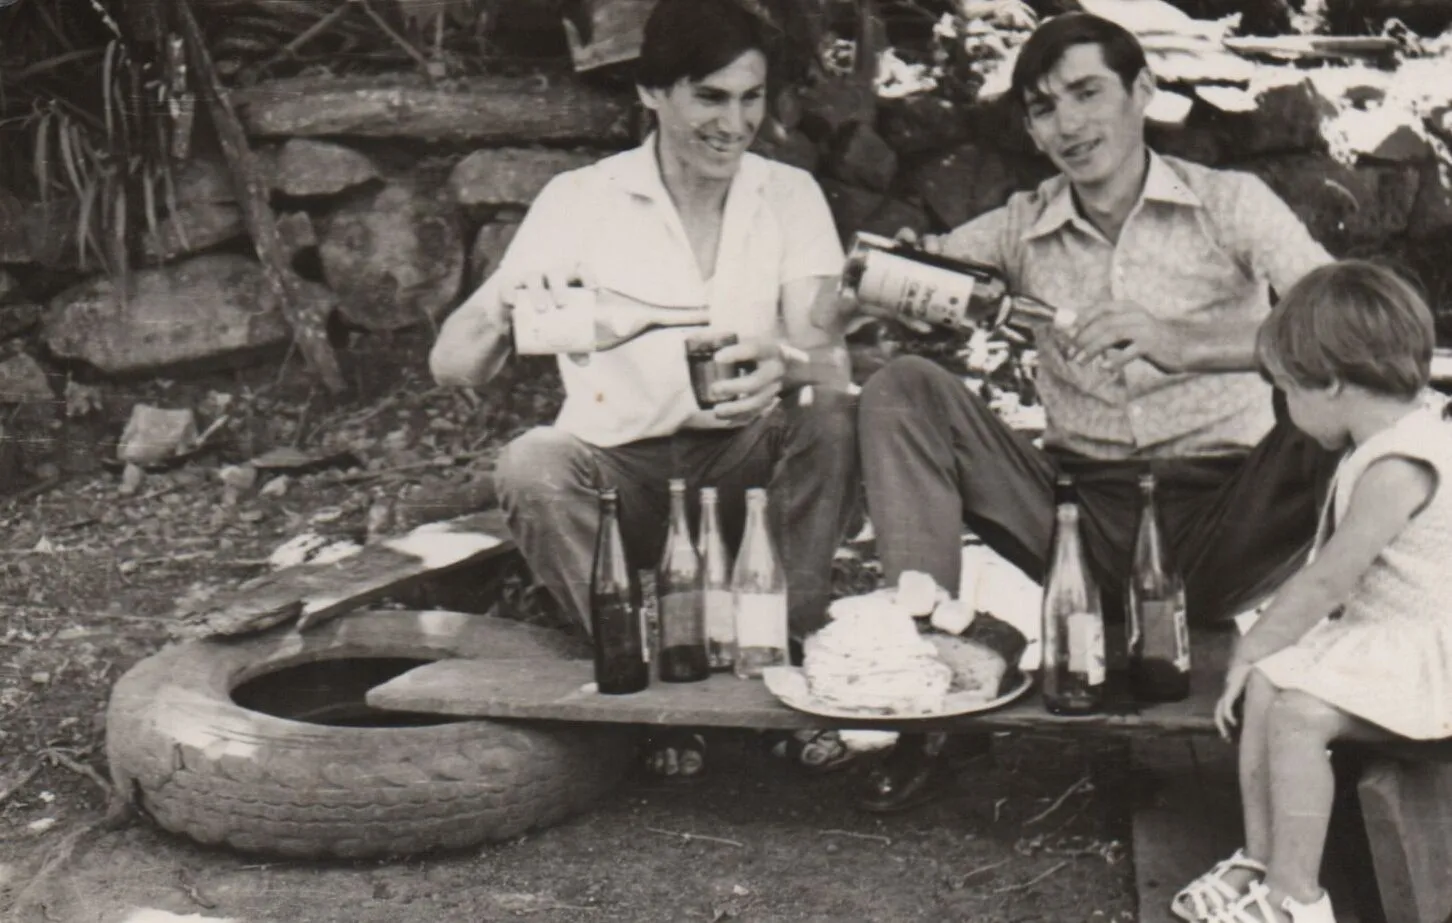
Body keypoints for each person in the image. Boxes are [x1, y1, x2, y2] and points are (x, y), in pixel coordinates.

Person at [844, 11, 1339, 813]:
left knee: (1343, 405)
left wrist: (1185, 344)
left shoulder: (1229, 203)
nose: (1068, 124)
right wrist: (883, 279)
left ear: (1142, 90)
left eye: (1086, 93)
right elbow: (883, 284)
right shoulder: (1021, 223)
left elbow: (1352, 325)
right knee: (903, 387)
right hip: (1077, 524)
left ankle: (1374, 677)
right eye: (1043, 107)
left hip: (1228, 514)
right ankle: (926, 688)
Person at [429, 0, 860, 775]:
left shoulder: (788, 193)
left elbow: (826, 360)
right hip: (620, 486)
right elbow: (452, 367)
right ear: (652, 92)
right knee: (532, 461)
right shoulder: (581, 199)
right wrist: (503, 303)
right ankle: (656, 686)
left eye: (751, 98)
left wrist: (787, 359)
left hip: (741, 473)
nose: (735, 124)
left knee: (827, 412)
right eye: (710, 97)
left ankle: (787, 659)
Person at [1171, 260, 1452, 923]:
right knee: (1271, 681)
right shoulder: (1390, 434)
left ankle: (1296, 897)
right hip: (1382, 637)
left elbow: (1329, 577)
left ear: (1331, 384)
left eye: (1288, 393)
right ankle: (1260, 857)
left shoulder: (1401, 463)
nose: (1288, 413)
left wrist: (1251, 645)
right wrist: (1263, 658)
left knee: (1299, 714)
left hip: (1432, 658)